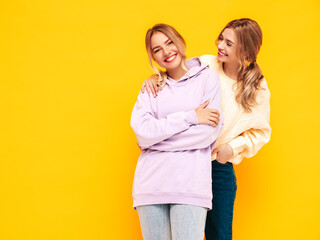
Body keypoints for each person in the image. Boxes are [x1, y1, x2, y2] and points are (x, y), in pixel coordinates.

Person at [141, 18, 271, 240]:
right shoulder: (205, 63)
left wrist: (231, 148)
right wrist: (156, 77)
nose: (220, 45)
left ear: (246, 50)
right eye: (221, 38)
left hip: (217, 166)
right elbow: (176, 75)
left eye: (229, 44)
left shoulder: (258, 87)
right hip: (186, 160)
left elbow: (261, 132)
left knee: (219, 233)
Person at [130, 23, 223, 240]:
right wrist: (190, 117)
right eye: (157, 49)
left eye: (169, 42)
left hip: (190, 187)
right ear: (152, 57)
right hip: (150, 186)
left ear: (180, 41)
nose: (166, 52)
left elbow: (206, 134)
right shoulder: (152, 88)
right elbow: (142, 133)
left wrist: (154, 141)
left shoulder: (207, 79)